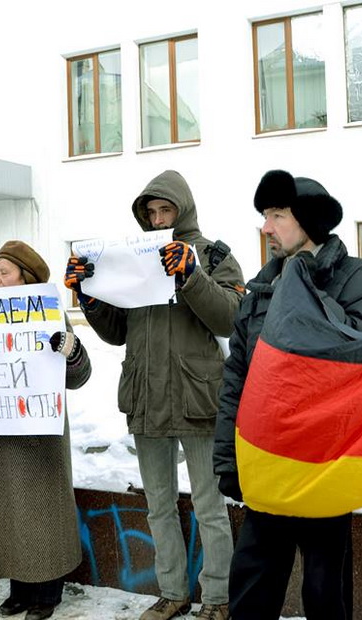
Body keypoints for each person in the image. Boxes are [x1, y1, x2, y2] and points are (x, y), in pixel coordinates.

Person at [65, 170, 244, 620]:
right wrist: (88, 294)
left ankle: (218, 599)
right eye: (153, 212)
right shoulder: (133, 258)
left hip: (198, 398)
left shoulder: (214, 254)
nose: (160, 218)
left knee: (210, 507)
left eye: (167, 210)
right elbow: (116, 331)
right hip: (146, 396)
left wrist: (191, 276)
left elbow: (230, 319)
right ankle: (173, 593)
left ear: (183, 210)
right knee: (158, 506)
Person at [213, 169, 362, 620]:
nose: (266, 227)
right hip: (267, 465)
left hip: (324, 466)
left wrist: (304, 286)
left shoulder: (356, 277)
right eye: (265, 217)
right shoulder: (259, 286)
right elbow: (237, 377)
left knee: (325, 592)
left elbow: (360, 349)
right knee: (251, 587)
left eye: (276, 215)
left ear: (307, 221)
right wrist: (227, 458)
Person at [0, 240, 91, 620]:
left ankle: (47, 592)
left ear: (27, 276)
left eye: (4, 272)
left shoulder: (49, 313)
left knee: (41, 514)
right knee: (7, 510)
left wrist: (70, 350)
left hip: (39, 436)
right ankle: (19, 588)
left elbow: (80, 374)